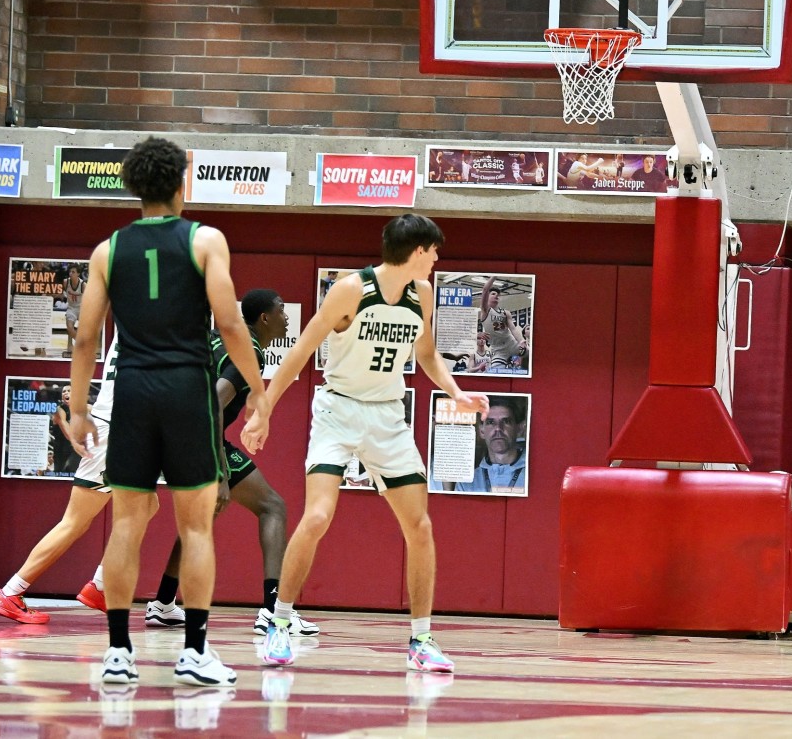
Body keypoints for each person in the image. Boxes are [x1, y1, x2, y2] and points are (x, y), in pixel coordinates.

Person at [244, 214, 488, 673]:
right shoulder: (350, 290)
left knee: (420, 526)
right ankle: (278, 622)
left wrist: (456, 392)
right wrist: (264, 410)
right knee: (317, 516)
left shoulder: (423, 295)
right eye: (434, 251)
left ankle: (421, 638)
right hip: (338, 411)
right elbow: (299, 353)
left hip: (387, 417)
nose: (437, 259)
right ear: (417, 251)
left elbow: (427, 355)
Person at [67, 136, 271, 688]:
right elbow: (231, 325)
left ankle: (117, 653)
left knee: (127, 523)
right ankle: (195, 653)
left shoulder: (108, 249)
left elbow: (86, 337)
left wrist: (80, 409)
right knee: (195, 524)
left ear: (133, 186)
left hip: (131, 391)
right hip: (186, 391)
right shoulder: (206, 241)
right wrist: (258, 393)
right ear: (183, 182)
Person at [144, 289, 319, 637]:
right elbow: (212, 405)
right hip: (197, 435)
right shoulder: (247, 352)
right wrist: (221, 472)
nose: (287, 318)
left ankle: (163, 604)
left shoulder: (217, 338)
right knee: (273, 507)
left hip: (170, 432)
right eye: (282, 310)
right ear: (265, 318)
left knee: (200, 519)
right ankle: (273, 609)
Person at [0, 335, 136, 625]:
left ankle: (100, 586)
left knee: (144, 507)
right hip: (118, 430)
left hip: (117, 426)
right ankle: (12, 591)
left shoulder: (131, 315)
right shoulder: (154, 317)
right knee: (76, 521)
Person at [449, 398, 528, 495]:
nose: (498, 428)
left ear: (519, 429)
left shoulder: (536, 476)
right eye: (491, 422)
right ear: (481, 431)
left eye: (506, 421)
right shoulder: (467, 483)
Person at [478, 276, 526, 372]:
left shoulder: (505, 312)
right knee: (497, 371)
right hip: (499, 349)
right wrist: (494, 275)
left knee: (531, 355)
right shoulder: (485, 310)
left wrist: (521, 341)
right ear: (488, 296)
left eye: (498, 295)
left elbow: (513, 328)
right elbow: (485, 289)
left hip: (512, 343)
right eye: (493, 294)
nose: (496, 296)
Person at [62, 265, 85, 354]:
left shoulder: (83, 285)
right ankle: (79, 346)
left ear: (78, 274)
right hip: (71, 307)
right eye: (70, 271)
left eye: (73, 272)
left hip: (82, 308)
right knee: (70, 328)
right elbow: (61, 294)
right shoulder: (65, 282)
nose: (70, 273)